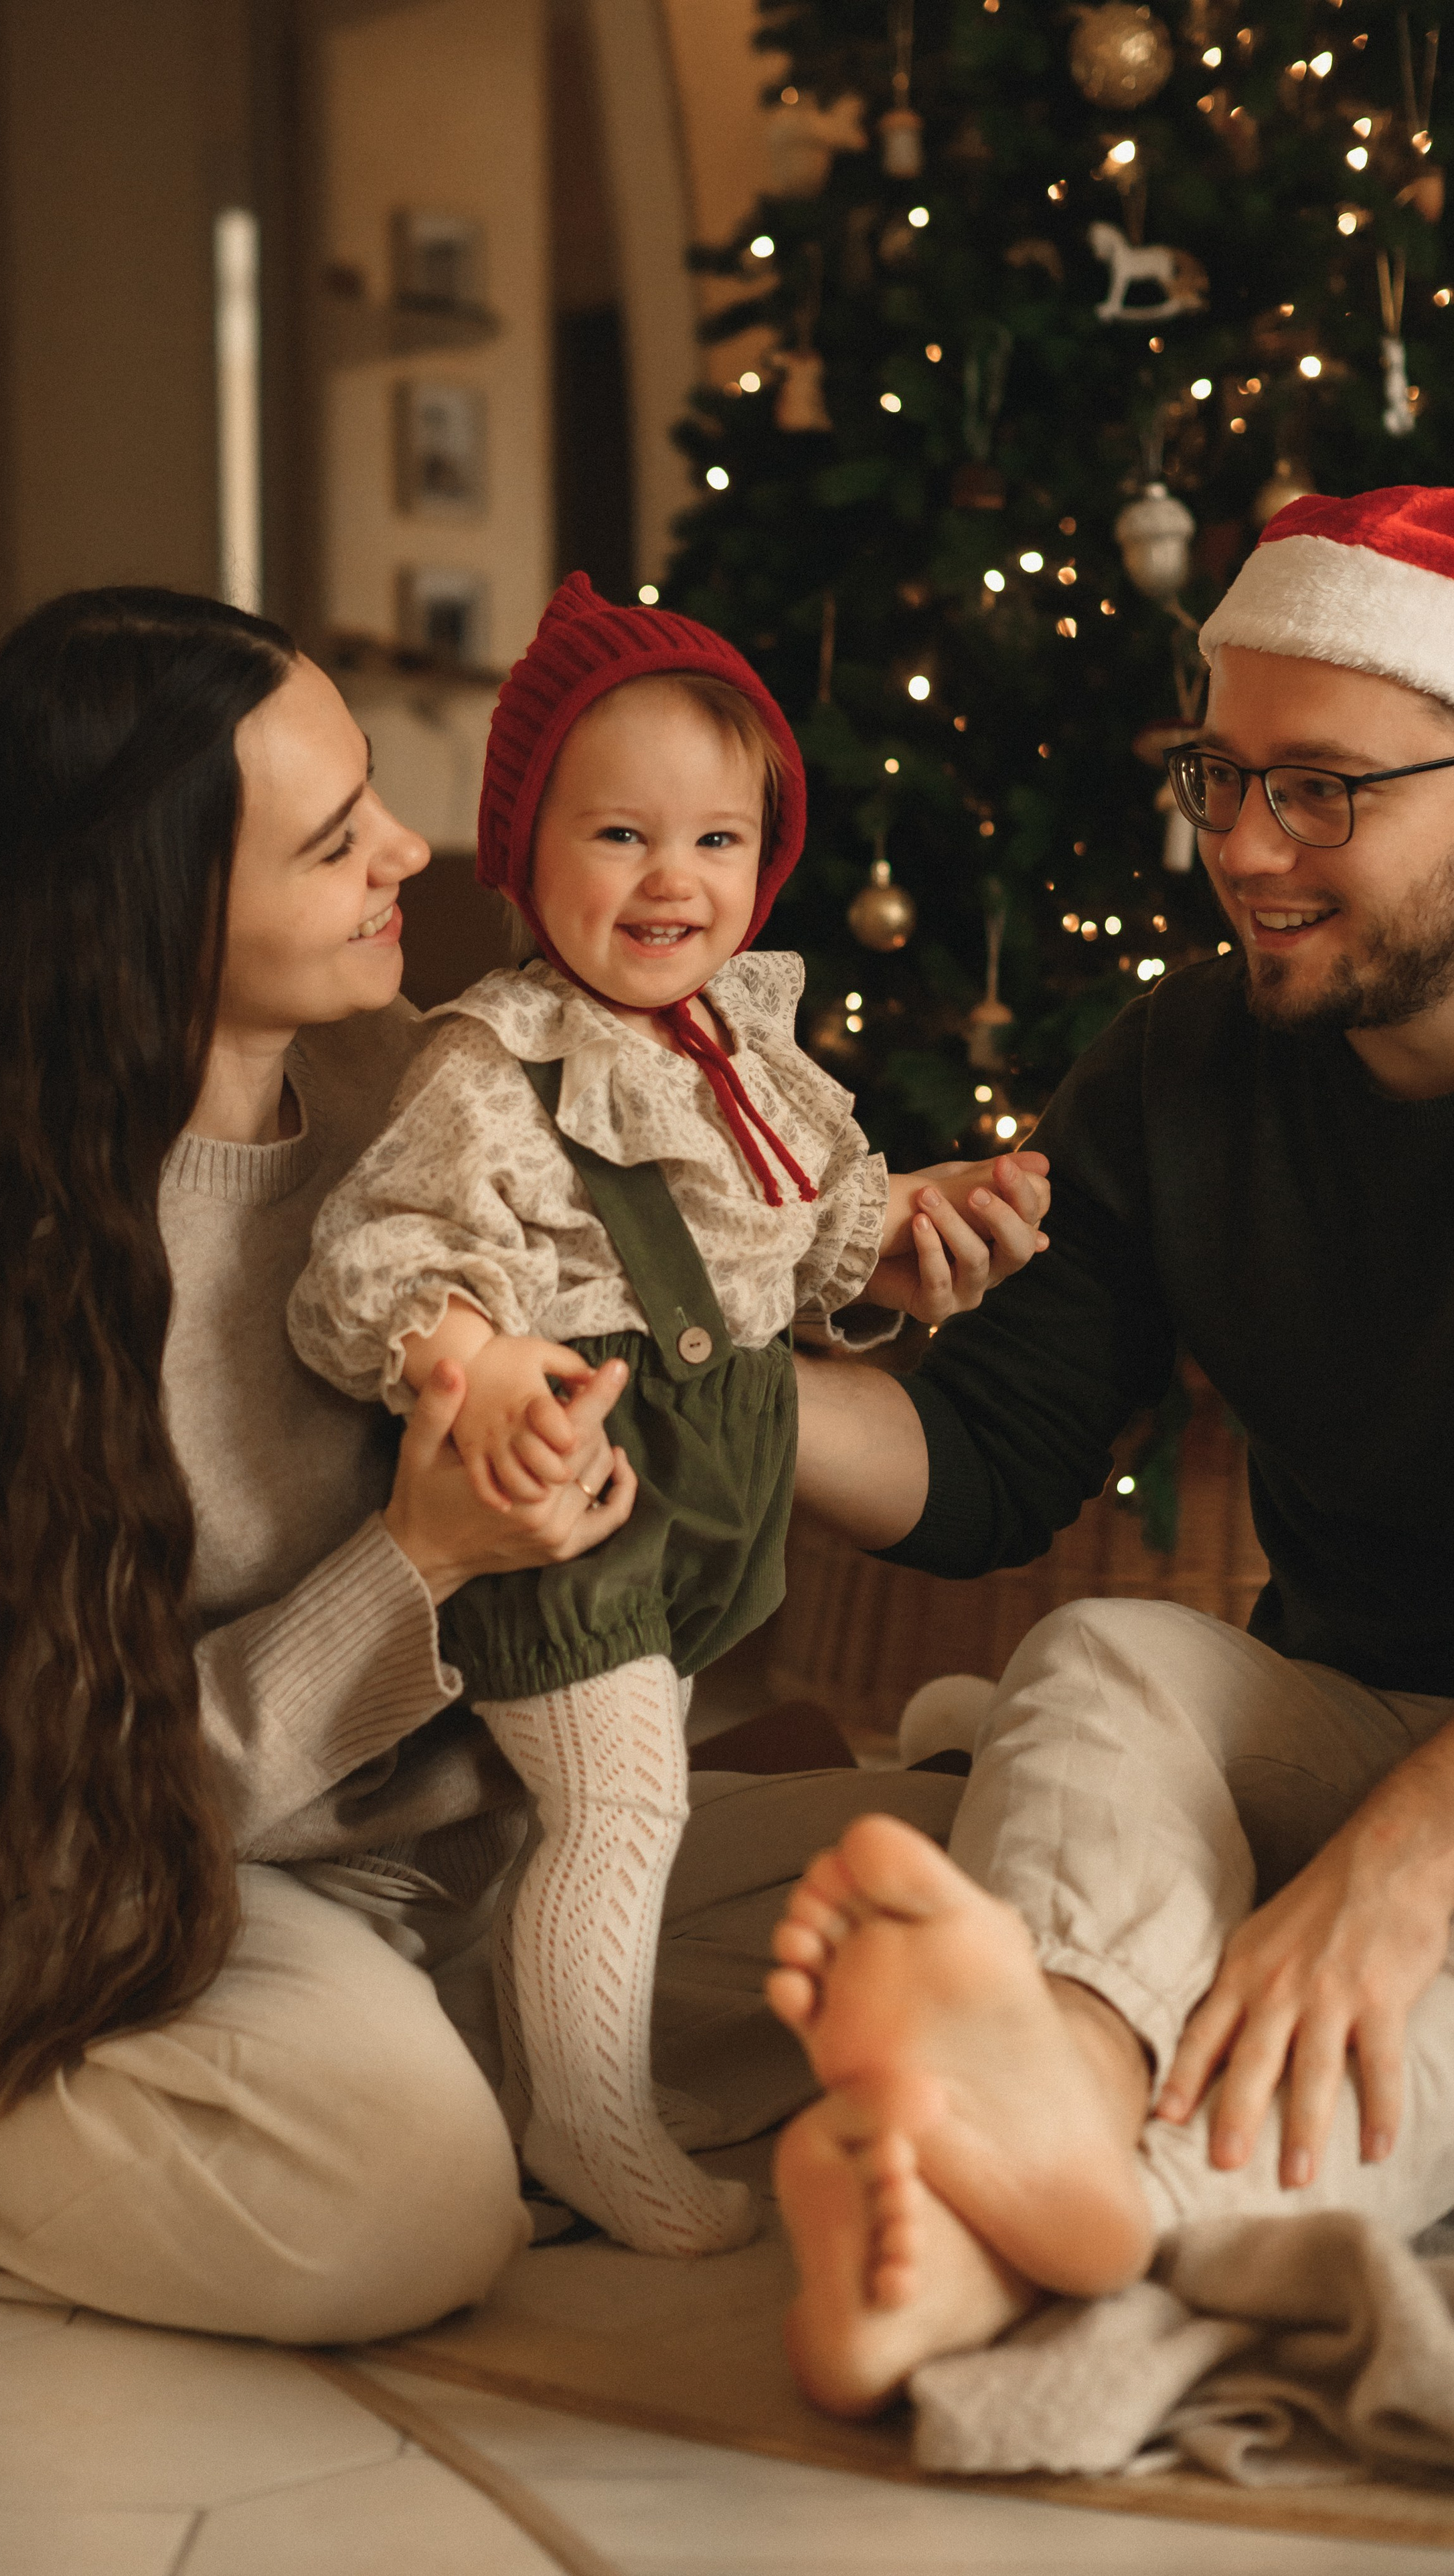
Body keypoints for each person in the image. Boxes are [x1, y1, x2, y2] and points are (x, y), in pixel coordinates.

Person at [0, 583, 1042, 2343]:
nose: (413, 854)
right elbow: (94, 1822)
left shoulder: (427, 1086)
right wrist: (418, 1559)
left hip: (480, 1846)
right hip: (198, 1889)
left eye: (380, 800)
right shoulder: (43, 1279)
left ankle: (498, 2074)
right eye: (338, 837)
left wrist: (873, 1255)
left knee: (984, 1881)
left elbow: (693, 1290)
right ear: (165, 901)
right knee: (407, 2219)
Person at [764, 483, 1454, 2416]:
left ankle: (1004, 2247)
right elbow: (990, 1463)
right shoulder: (1185, 1071)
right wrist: (704, 1385)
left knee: (1402, 2009)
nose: (1242, 846)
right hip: (1348, 1708)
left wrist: (1407, 1869)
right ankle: (1048, 2081)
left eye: (1324, 789)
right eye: (1221, 774)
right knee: (1101, 1659)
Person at [290, 574, 1051, 2257]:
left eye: (716, 842)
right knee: (618, 1806)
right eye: (620, 833)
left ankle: (529, 2054)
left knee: (602, 1812)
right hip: (556, 1504)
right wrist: (470, 1357)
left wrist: (911, 1240)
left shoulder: (739, 1057)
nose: (671, 881)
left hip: (694, 1511)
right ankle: (590, 2127)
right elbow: (378, 1255)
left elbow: (802, 1239)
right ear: (524, 847)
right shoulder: (491, 1064)